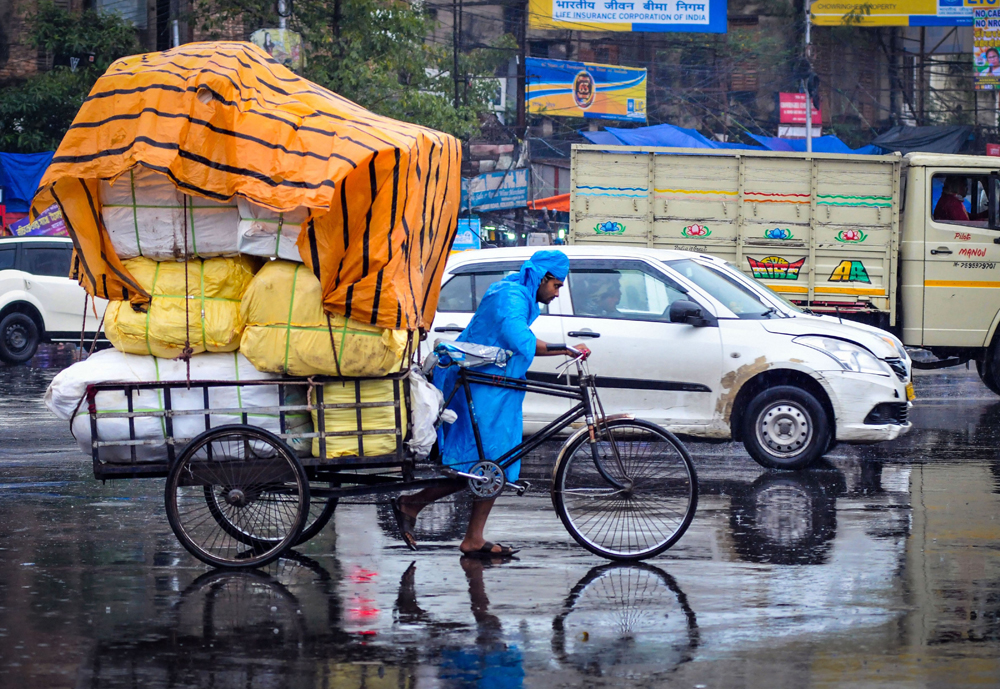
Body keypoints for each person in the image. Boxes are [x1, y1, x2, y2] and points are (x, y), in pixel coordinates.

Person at [392, 250, 588, 558]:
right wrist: (564, 348)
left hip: (498, 388)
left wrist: (562, 350)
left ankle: (472, 537)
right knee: (479, 464)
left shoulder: (518, 293)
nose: (557, 291)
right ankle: (413, 503)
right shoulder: (510, 296)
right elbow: (518, 339)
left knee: (493, 464)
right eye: (557, 285)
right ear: (543, 277)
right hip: (481, 386)